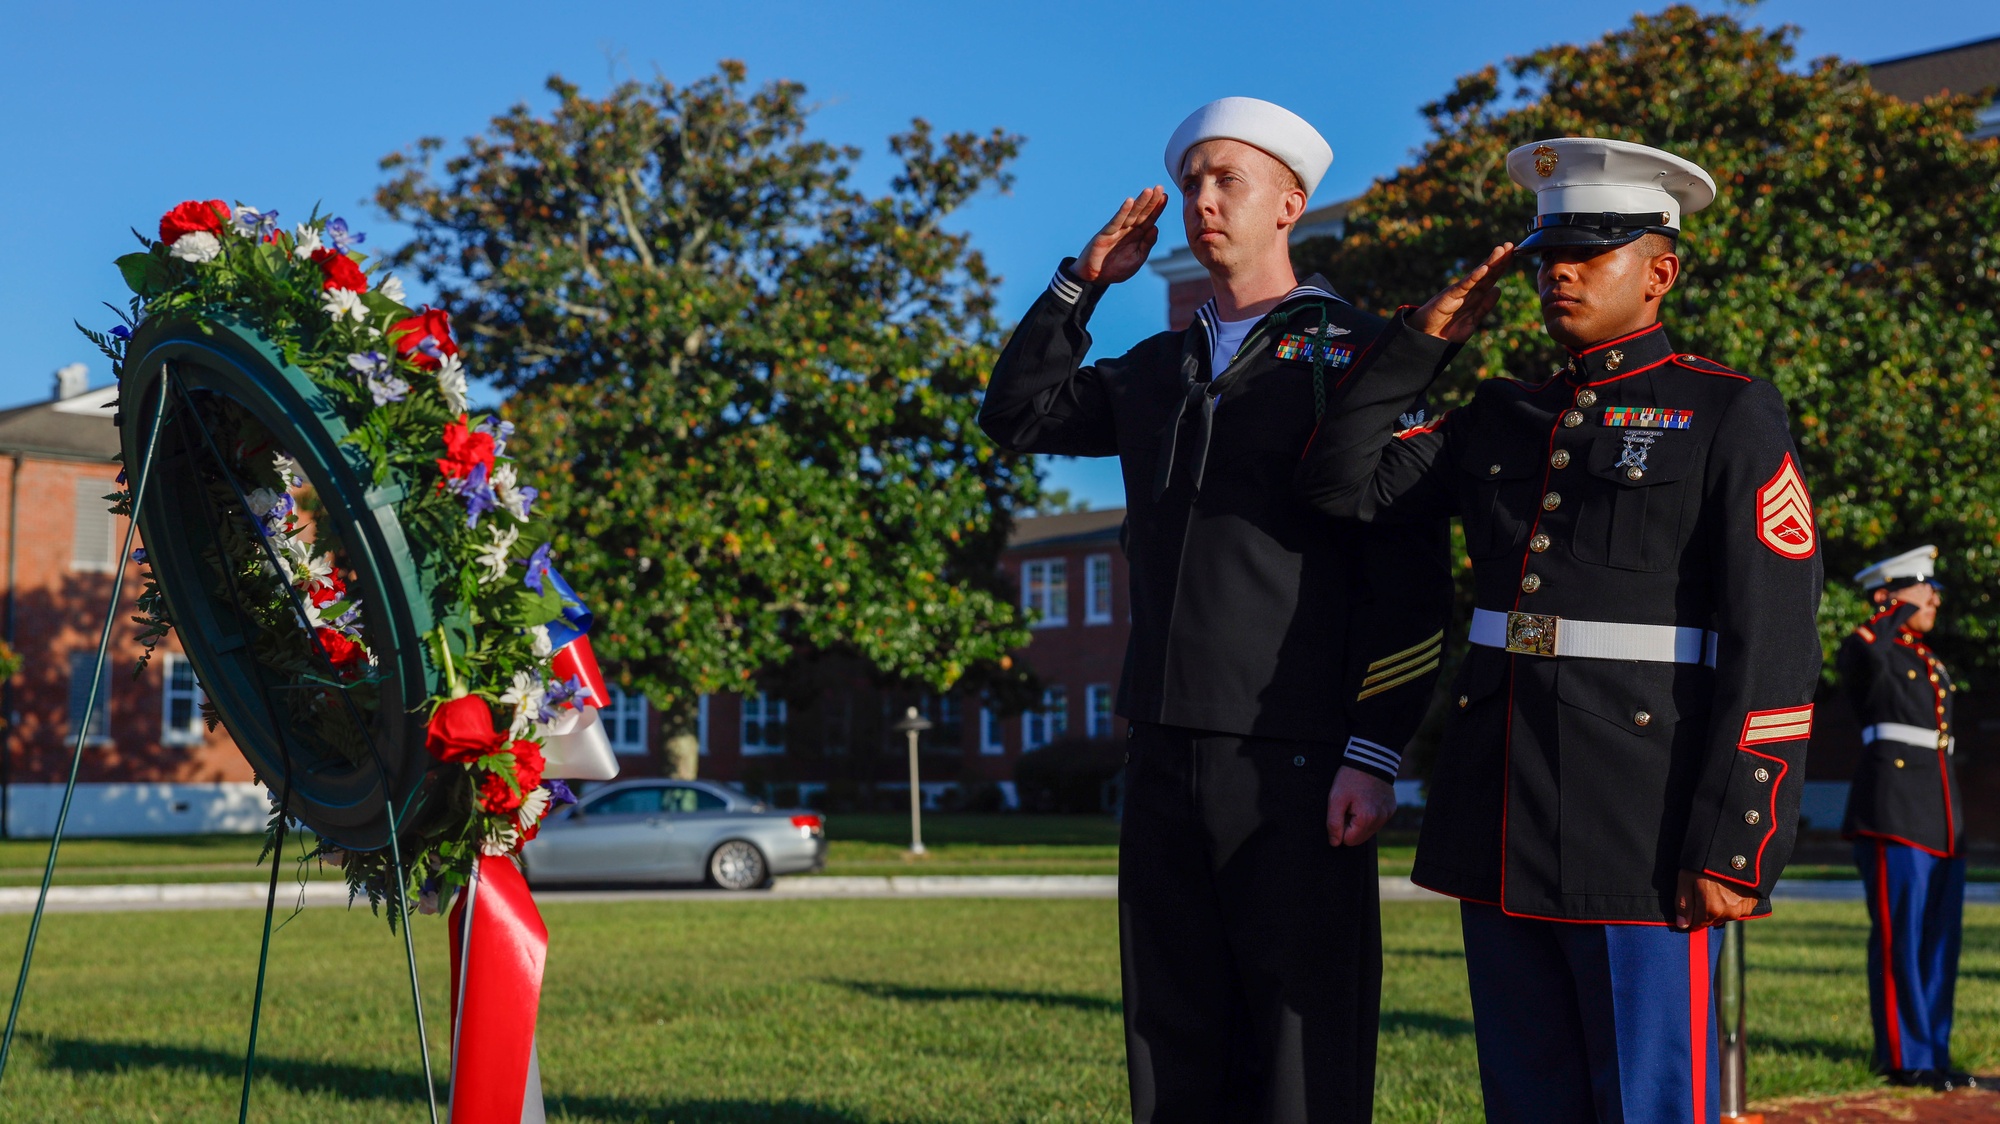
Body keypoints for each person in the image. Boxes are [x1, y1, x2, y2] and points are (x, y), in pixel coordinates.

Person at [1297, 137, 1824, 1123]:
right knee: (1524, 1097)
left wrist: (1738, 834)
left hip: (1643, 817)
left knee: (1647, 1099)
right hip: (1498, 804)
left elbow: (1776, 633)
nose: (1559, 272)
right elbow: (1337, 482)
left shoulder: (1727, 411)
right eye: (1547, 254)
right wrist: (1425, 339)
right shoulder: (1500, 415)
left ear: (1659, 270)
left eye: (1593, 250)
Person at [979, 97, 1456, 1122]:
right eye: (1191, 180)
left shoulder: (1366, 359)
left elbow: (1410, 577)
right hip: (1160, 738)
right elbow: (1016, 413)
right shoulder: (1158, 366)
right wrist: (1078, 285)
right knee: (1170, 1023)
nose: (1201, 199)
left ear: (1288, 202)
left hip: (1294, 748)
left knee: (1298, 1031)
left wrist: (1374, 750)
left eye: (1225, 179)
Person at [1840, 546, 1975, 1091]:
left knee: (1940, 940)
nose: (1934, 597)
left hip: (1940, 811)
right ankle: (1903, 1057)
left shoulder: (1927, 659)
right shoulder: (1870, 644)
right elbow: (1869, 658)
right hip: (1892, 808)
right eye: (1923, 587)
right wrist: (1891, 608)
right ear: (1887, 595)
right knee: (1902, 937)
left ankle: (1934, 1053)